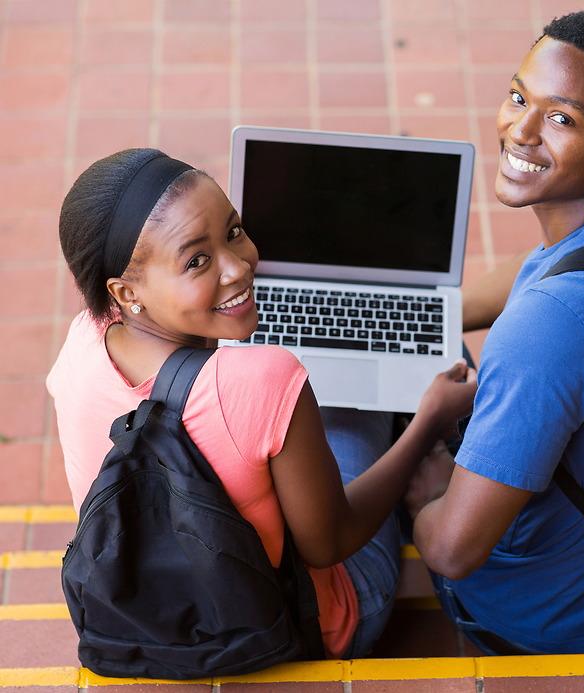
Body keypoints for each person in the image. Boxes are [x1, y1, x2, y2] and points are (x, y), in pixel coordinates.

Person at [46, 148, 477, 661]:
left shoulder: (81, 344)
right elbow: (329, 545)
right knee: (398, 387)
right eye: (197, 261)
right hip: (313, 625)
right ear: (126, 291)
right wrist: (427, 422)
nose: (241, 266)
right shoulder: (266, 379)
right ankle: (429, 493)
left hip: (147, 621)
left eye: (233, 231)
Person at [406, 9, 584, 654]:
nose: (520, 131)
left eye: (562, 118)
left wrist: (429, 487)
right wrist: (428, 314)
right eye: (517, 97)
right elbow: (546, 268)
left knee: (351, 450)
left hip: (540, 617)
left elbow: (450, 551)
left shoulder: (548, 331)